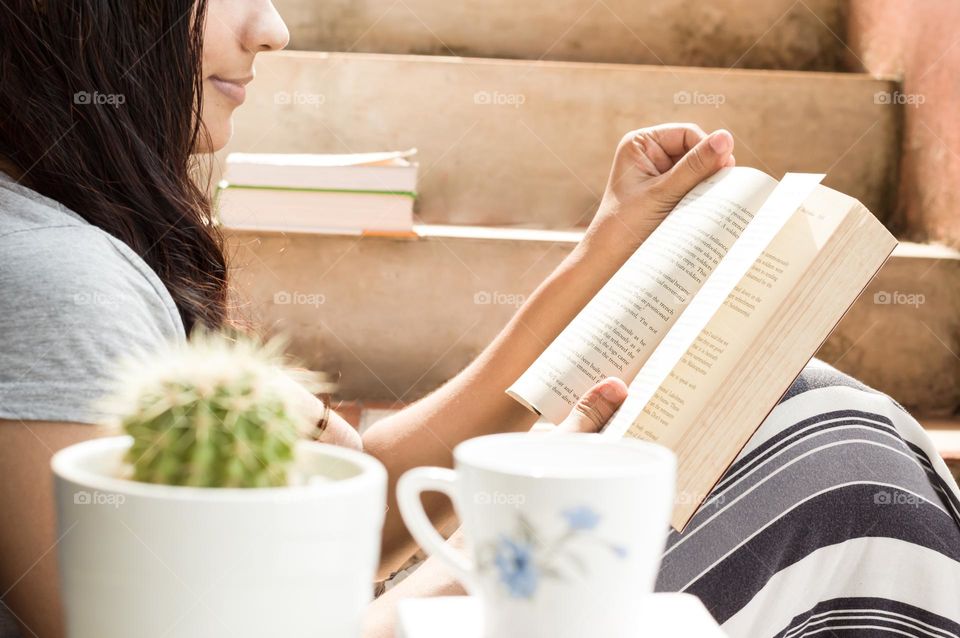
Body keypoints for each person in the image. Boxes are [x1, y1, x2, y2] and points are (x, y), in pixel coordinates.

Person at [1, 2, 957, 638]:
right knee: (846, 464)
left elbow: (353, 514)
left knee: (807, 410)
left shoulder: (60, 244)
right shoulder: (59, 282)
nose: (276, 27)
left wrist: (607, 249)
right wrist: (518, 533)